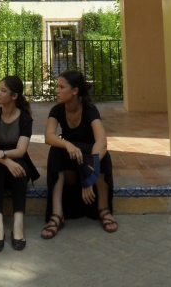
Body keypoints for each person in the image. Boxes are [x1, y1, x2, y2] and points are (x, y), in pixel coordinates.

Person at [41, 69, 117, 238]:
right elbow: (49, 136)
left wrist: (89, 173)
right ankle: (57, 214)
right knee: (55, 152)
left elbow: (101, 141)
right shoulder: (57, 110)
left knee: (103, 155)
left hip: (88, 157)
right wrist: (67, 144)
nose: (57, 91)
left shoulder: (90, 110)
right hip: (72, 157)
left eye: (61, 87)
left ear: (75, 91)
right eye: (57, 87)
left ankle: (103, 208)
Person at [0, 76, 39, 252]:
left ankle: (18, 224)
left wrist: (4, 154)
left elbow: (21, 150)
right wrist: (6, 161)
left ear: (14, 96)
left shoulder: (25, 119)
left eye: (3, 90)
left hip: (17, 163)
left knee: (19, 166)